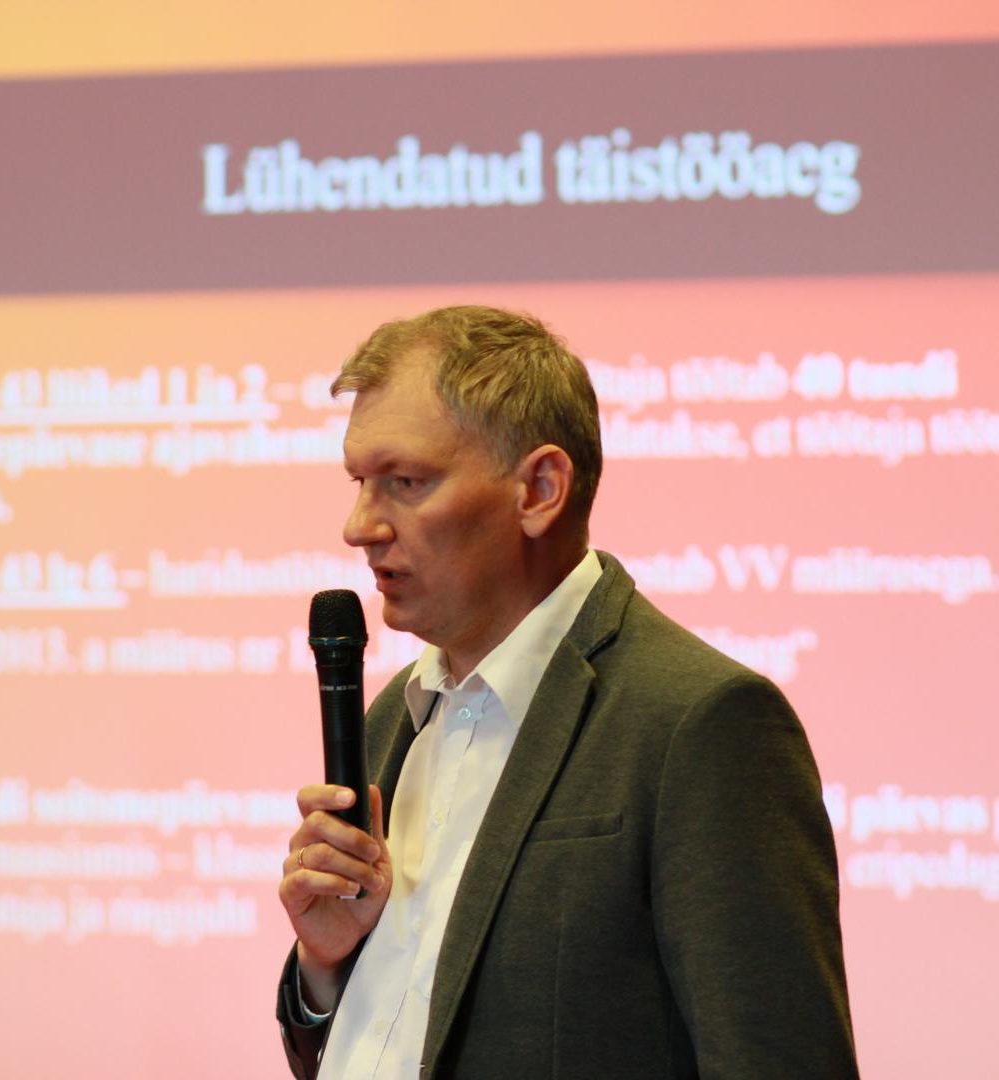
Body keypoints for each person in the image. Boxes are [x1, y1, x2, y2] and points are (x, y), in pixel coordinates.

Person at [276, 305, 858, 1079]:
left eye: (405, 482)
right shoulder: (394, 718)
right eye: (360, 482)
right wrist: (323, 968)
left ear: (540, 489)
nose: (359, 526)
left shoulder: (699, 725)